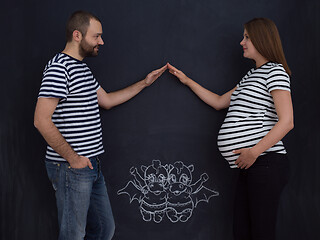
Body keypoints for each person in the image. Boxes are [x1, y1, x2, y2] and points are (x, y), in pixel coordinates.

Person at [34, 10, 166, 240]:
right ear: (77, 35)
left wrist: (144, 83)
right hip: (71, 168)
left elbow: (107, 100)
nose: (101, 42)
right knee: (73, 235)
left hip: (91, 166)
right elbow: (40, 120)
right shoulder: (59, 68)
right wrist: (74, 159)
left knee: (105, 229)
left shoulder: (82, 69)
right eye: (96, 36)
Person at [167, 18, 293, 240]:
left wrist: (253, 152)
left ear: (261, 39)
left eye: (247, 37)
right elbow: (218, 101)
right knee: (242, 232)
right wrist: (187, 81)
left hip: (265, 162)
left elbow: (287, 121)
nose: (242, 42)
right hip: (251, 165)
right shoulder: (251, 76)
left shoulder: (275, 71)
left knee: (261, 233)